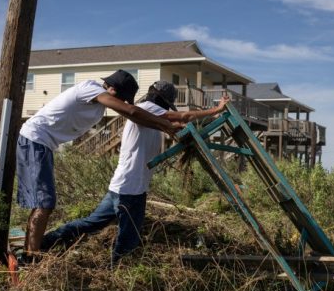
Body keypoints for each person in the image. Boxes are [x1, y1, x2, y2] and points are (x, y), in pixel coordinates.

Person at [40, 80, 230, 266]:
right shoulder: (149, 108)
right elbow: (184, 116)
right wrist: (217, 110)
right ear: (161, 99)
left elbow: (172, 124)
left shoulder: (149, 113)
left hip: (121, 185)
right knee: (129, 238)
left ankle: (46, 242)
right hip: (131, 189)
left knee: (91, 223)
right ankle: (118, 269)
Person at [15, 70, 185, 262]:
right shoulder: (90, 88)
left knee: (61, 210)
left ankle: (36, 250)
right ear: (111, 89)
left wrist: (164, 126)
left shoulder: (99, 106)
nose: (122, 102)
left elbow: (134, 115)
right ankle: (30, 259)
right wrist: (166, 125)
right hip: (35, 139)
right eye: (120, 98)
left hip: (45, 145)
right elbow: (131, 111)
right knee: (44, 203)